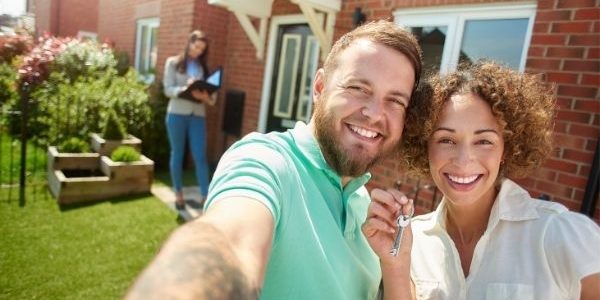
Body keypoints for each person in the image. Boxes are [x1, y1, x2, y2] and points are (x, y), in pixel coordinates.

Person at [126, 20, 422, 300]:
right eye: (358, 88)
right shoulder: (267, 162)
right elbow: (229, 241)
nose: (374, 113)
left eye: (395, 101)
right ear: (319, 88)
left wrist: (395, 266)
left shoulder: (363, 203)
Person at [362, 61, 600, 300]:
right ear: (425, 147)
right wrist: (396, 265)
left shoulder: (561, 234)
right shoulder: (411, 240)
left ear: (506, 150)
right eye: (446, 140)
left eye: (484, 141)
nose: (464, 160)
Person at [163, 30, 216, 209]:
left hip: (198, 116)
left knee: (200, 156)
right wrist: (185, 89)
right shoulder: (173, 63)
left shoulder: (204, 69)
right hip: (176, 114)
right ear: (189, 43)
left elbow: (212, 98)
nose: (199, 51)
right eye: (197, 47)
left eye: (202, 49)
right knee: (177, 154)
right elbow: (167, 89)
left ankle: (205, 195)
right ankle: (178, 194)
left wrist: (205, 97)